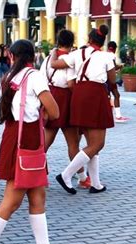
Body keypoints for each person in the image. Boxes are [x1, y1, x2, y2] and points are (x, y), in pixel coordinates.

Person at [0, 39, 73, 244]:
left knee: (38, 196)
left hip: (14, 136)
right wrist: (44, 109)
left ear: (12, 56)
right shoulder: (33, 76)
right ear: (31, 56)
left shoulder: (8, 78)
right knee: (11, 201)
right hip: (26, 139)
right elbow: (54, 111)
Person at [50, 25, 113, 194]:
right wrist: (115, 95)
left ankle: (96, 184)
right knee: (98, 143)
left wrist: (53, 53)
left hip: (79, 96)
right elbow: (112, 81)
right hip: (96, 96)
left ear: (89, 40)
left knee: (91, 144)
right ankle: (66, 175)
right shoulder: (107, 56)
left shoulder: (76, 54)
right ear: (103, 41)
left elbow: (55, 64)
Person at [40, 30, 89, 189]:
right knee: (73, 143)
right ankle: (82, 178)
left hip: (50, 96)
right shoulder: (70, 59)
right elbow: (71, 84)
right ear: (72, 43)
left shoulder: (48, 58)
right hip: (65, 100)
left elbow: (41, 78)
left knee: (45, 142)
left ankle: (37, 174)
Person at [107, 41, 129, 123]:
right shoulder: (112, 56)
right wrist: (120, 66)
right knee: (116, 95)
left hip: (104, 79)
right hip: (110, 78)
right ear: (115, 48)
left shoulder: (104, 55)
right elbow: (113, 67)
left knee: (108, 96)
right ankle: (118, 116)